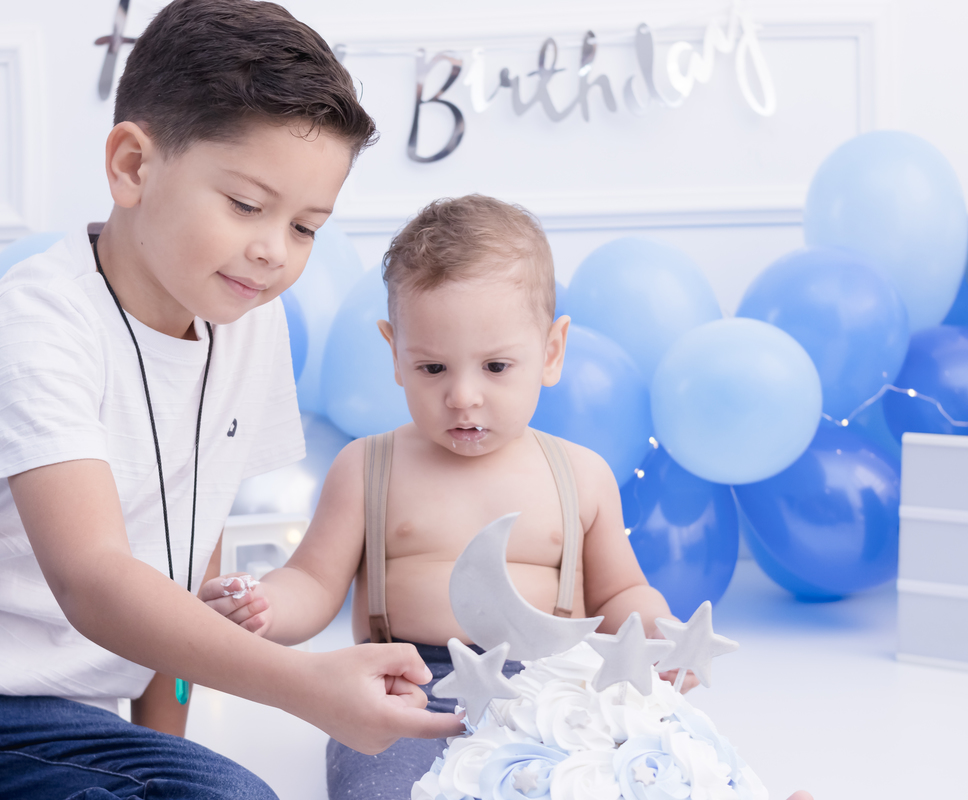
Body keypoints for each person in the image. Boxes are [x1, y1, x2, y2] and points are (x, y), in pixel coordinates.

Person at [0, 2, 459, 798]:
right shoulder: (37, 318)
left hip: (44, 731)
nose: (273, 250)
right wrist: (307, 687)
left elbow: (189, 559)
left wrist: (162, 759)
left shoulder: (249, 326)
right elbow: (93, 577)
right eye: (246, 205)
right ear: (132, 165)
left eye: (305, 227)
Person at [202, 195, 814, 800]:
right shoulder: (369, 467)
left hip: (561, 686)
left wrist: (657, 632)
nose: (463, 395)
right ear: (395, 353)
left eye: (495, 367)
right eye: (432, 368)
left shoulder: (580, 474)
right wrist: (267, 606)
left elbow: (621, 590)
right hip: (413, 686)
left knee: (645, 765)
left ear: (550, 353)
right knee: (387, 784)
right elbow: (313, 579)